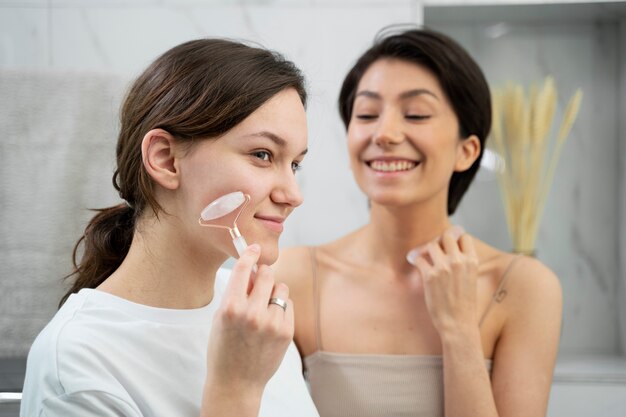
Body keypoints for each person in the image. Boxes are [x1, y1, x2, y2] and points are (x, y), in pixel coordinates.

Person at [20, 38, 319, 417]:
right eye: (262, 155)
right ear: (165, 160)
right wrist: (235, 389)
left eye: (295, 164)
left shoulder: (251, 315)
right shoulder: (79, 363)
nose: (293, 194)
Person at [275, 27, 563, 417]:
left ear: (467, 151)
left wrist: (460, 331)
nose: (385, 134)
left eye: (416, 114)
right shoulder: (294, 277)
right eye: (366, 115)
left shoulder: (522, 287)